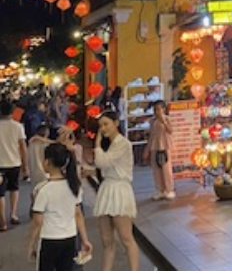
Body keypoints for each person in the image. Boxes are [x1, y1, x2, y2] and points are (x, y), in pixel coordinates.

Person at [27, 143, 93, 270]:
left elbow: (37, 221)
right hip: (70, 238)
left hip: (49, 239)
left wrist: (31, 244)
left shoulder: (42, 189)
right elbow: (78, 214)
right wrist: (85, 240)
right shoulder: (74, 186)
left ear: (47, 162)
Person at [93, 110, 139, 270]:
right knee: (107, 241)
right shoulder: (110, 145)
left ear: (116, 123)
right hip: (107, 189)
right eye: (100, 126)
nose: (103, 129)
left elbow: (102, 162)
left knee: (126, 238)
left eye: (106, 124)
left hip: (119, 190)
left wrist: (97, 144)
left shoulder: (123, 143)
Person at [0, 98, 28, 229]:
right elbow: (23, 147)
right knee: (14, 189)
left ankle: (2, 221)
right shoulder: (18, 126)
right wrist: (25, 166)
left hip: (0, 165)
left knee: (0, 194)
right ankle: (13, 214)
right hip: (14, 163)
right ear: (12, 112)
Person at [143, 100, 174, 201]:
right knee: (156, 169)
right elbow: (151, 135)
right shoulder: (152, 121)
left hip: (165, 146)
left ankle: (169, 189)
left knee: (166, 169)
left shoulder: (167, 119)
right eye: (155, 109)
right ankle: (160, 190)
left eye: (158, 109)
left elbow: (170, 130)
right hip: (154, 146)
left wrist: (163, 121)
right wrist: (147, 149)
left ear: (164, 109)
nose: (156, 111)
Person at [27, 124, 51, 190]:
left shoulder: (31, 144)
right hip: (45, 172)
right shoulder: (47, 144)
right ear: (46, 133)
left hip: (33, 171)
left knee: (35, 191)